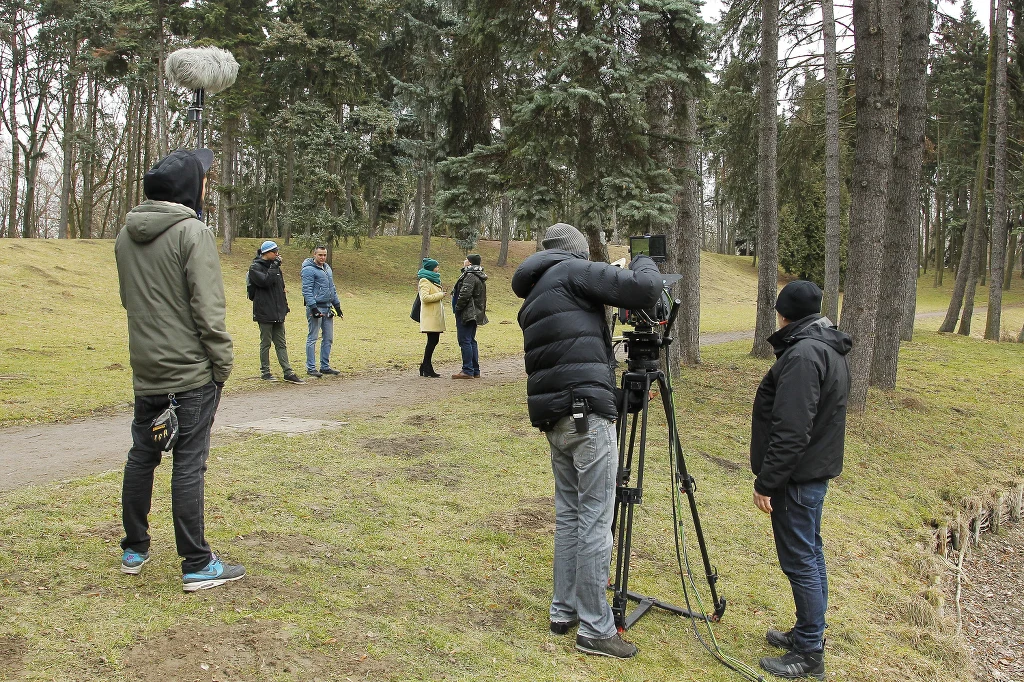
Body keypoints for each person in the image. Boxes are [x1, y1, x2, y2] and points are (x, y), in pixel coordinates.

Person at [511, 223, 662, 659]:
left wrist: (616, 399)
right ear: (575, 252)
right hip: (583, 417)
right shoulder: (573, 272)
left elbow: (568, 363)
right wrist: (643, 257)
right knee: (596, 516)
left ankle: (565, 610)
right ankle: (596, 628)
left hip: (563, 418)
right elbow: (645, 289)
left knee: (573, 513)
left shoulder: (538, 290)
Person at [114, 148, 245, 592]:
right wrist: (221, 365)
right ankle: (196, 563)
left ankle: (134, 548)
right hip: (189, 374)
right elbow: (208, 309)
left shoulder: (124, 235)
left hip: (146, 369)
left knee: (142, 456)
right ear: (190, 188)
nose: (208, 186)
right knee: (189, 463)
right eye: (204, 180)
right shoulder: (193, 232)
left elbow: (129, 300)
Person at [750, 280, 851, 680]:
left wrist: (768, 482)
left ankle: (809, 652)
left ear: (784, 313)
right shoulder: (823, 345)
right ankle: (808, 633)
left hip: (797, 478)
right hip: (810, 473)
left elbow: (792, 428)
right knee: (810, 554)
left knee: (801, 561)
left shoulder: (804, 354)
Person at [249, 240, 304, 384]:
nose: (278, 254)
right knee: (265, 343)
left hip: (278, 312)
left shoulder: (276, 268)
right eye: (275, 252)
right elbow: (265, 281)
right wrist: (274, 266)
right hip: (264, 312)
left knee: (281, 343)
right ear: (266, 253)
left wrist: (284, 306)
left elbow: (281, 288)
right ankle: (265, 372)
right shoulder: (255, 268)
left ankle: (288, 372)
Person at [301, 245, 343, 377]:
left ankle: (325, 366)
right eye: (320, 255)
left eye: (324, 255)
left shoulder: (327, 269)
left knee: (328, 338)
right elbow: (306, 290)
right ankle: (311, 367)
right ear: (314, 254)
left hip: (328, 306)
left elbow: (332, 288)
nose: (323, 257)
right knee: (313, 337)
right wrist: (313, 308)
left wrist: (337, 306)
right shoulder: (308, 270)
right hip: (316, 307)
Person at [451, 253, 488, 379]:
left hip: (467, 312)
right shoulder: (478, 275)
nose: (464, 261)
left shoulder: (470, 276)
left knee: (465, 340)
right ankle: (474, 370)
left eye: (466, 259)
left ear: (470, 263)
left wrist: (458, 308)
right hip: (475, 312)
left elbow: (465, 294)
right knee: (471, 340)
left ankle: (467, 370)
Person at [417, 258, 445, 378]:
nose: (438, 269)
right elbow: (424, 297)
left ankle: (425, 365)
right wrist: (440, 295)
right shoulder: (424, 281)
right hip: (430, 317)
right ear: (431, 268)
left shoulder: (432, 280)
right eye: (436, 267)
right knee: (432, 341)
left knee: (433, 341)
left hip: (434, 316)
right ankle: (426, 367)